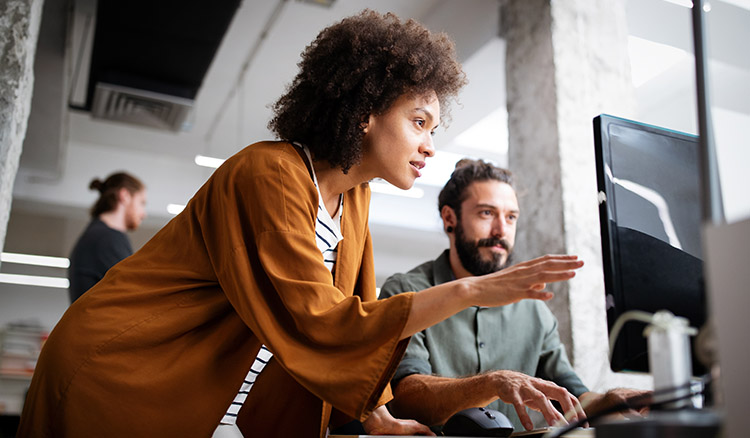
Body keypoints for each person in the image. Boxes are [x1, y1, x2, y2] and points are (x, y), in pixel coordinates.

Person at [17, 11, 584, 438]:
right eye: (419, 122)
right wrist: (471, 290)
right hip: (125, 372)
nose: (429, 147)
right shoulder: (269, 173)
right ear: (366, 111)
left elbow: (357, 324)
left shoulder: (355, 198)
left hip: (218, 398)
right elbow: (323, 321)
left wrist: (379, 418)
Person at [379, 159, 648, 432]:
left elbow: (572, 395)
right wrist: (492, 383)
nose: (501, 231)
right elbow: (405, 398)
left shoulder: (534, 308)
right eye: (486, 213)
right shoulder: (406, 292)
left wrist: (610, 401)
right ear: (450, 218)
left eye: (511, 217)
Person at [67, 172, 147, 303]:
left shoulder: (98, 234)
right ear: (125, 195)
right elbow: (134, 294)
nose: (144, 214)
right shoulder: (107, 238)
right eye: (142, 203)